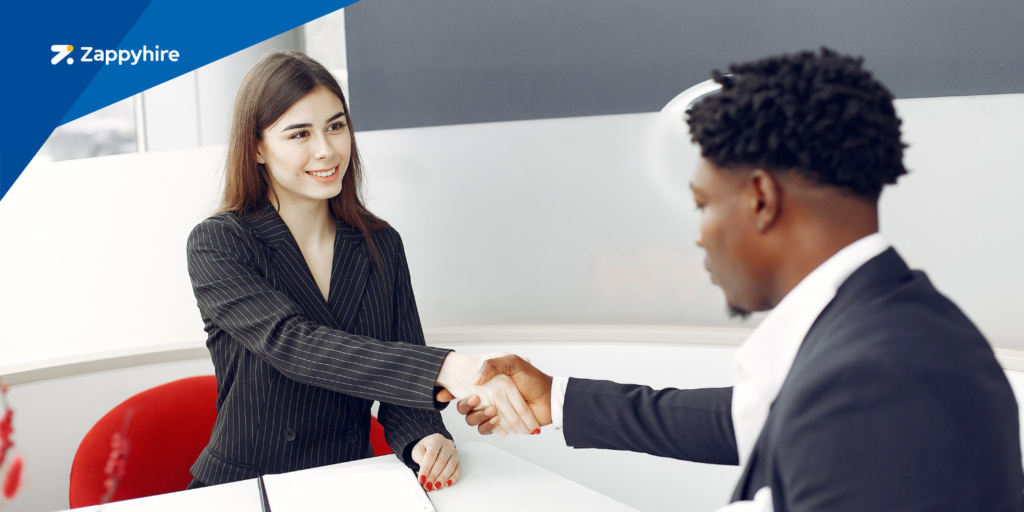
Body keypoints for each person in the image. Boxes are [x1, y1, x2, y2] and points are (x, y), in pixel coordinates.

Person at [446, 48, 1024, 511]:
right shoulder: (878, 323)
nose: (698, 235)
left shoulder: (875, 381)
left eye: (703, 205)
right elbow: (749, 416)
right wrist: (558, 398)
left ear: (760, 200)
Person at [184, 50, 540, 493]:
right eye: (300, 134)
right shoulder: (220, 241)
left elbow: (402, 370)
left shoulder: (379, 244)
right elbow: (294, 344)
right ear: (257, 147)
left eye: (336, 126)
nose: (327, 149)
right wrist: (447, 367)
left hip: (350, 482)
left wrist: (423, 438)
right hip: (249, 489)